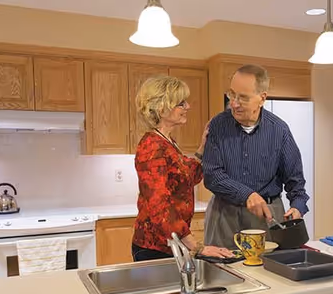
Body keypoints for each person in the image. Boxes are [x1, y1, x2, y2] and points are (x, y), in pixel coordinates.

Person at [202, 64, 310, 249]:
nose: (234, 103)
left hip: (266, 216)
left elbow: (296, 182)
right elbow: (212, 176)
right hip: (223, 216)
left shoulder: (279, 130)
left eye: (242, 97)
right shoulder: (218, 125)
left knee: (267, 273)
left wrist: (297, 207)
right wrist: (247, 194)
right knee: (220, 272)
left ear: (262, 98)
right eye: (232, 94)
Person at [132, 75, 234, 261]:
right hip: (155, 247)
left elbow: (188, 177)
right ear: (162, 108)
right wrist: (197, 246)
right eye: (181, 103)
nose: (187, 107)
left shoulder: (168, 142)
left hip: (170, 244)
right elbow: (159, 206)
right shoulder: (152, 146)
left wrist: (202, 148)